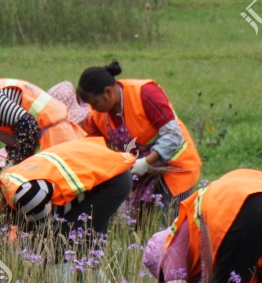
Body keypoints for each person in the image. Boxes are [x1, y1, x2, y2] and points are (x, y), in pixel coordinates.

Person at [0, 137, 134, 283]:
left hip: (111, 180)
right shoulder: (9, 180)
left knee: (64, 248)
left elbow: (48, 237)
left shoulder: (26, 196)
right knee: (87, 253)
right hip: (106, 169)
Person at [77, 61, 202, 225]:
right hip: (141, 173)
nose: (93, 109)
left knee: (175, 225)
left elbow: (173, 135)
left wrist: (145, 162)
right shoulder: (99, 116)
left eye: (95, 103)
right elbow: (94, 148)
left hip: (175, 166)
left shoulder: (145, 93)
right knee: (136, 226)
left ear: (107, 92)